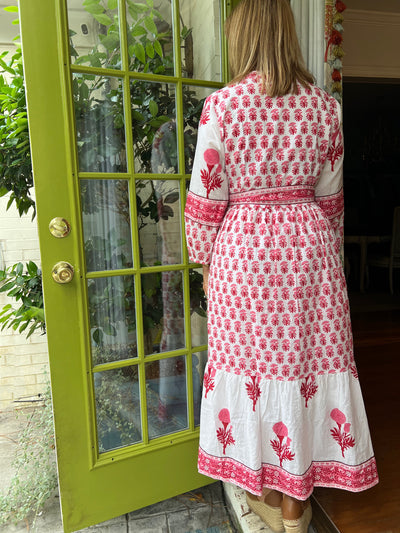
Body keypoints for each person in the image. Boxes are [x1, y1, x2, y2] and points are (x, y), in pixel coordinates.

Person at [184, 0, 379, 532]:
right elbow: (331, 200)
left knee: (254, 377)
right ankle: (296, 509)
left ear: (241, 36)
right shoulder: (324, 108)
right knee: (302, 372)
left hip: (244, 261)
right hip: (307, 256)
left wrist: (203, 261)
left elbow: (205, 203)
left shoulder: (222, 108)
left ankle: (269, 495)